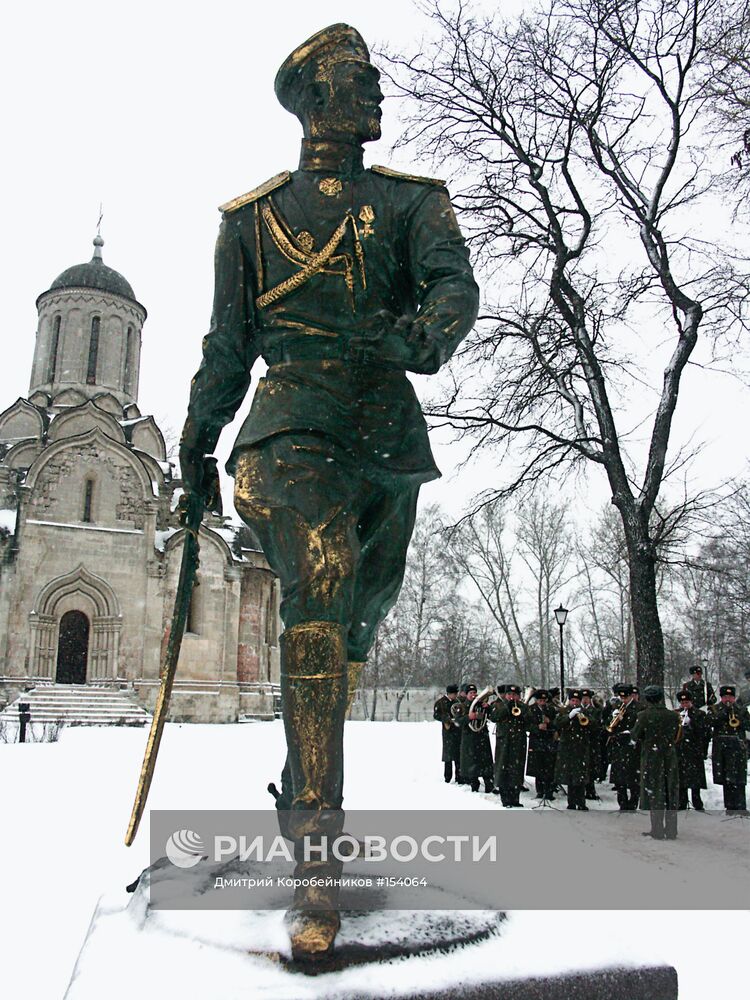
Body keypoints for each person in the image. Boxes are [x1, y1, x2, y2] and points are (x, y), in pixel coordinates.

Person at [178, 22, 479, 961]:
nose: (377, 90)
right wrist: (195, 446)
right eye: (357, 79)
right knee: (320, 571)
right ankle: (317, 858)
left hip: (383, 436)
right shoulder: (251, 220)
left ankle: (294, 774)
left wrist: (419, 337)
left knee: (357, 612)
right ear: (311, 96)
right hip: (287, 430)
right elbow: (227, 348)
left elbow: (452, 289)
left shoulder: (414, 203)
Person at [630, 685, 681, 840]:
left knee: (655, 792)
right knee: (670, 790)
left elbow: (635, 735)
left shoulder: (643, 715)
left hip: (652, 756)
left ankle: (657, 829)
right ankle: (671, 830)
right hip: (669, 755)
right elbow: (677, 735)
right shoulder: (673, 716)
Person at [553, 689, 598, 810]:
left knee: (580, 777)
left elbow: (594, 725)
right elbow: (557, 724)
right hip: (567, 747)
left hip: (581, 747)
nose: (575, 703)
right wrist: (569, 716)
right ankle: (571, 802)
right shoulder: (564, 711)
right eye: (573, 700)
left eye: (577, 701)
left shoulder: (585, 711)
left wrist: (584, 719)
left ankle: (581, 802)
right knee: (570, 776)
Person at [709, 685, 750, 815]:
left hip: (738, 747)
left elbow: (748, 725)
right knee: (727, 778)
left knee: (739, 778)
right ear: (721, 697)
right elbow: (710, 722)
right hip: (722, 749)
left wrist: (738, 716)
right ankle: (730, 807)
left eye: (731, 697)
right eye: (725, 697)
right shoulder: (715, 709)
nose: (728, 699)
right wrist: (723, 714)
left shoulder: (741, 709)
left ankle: (741, 806)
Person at [489, 683, 531, 807]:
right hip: (504, 742)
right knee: (503, 769)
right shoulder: (499, 705)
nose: (512, 697)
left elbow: (529, 720)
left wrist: (521, 709)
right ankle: (505, 798)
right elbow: (494, 717)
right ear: (506, 695)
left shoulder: (523, 706)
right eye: (510, 694)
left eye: (515, 695)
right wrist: (507, 706)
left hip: (518, 742)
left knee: (517, 770)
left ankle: (515, 798)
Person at [607, 684, 640, 810]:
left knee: (633, 777)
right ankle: (622, 802)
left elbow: (638, 726)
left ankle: (633, 802)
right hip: (618, 746)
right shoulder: (616, 707)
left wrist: (625, 722)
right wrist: (613, 718)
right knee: (619, 777)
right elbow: (608, 727)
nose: (623, 700)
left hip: (631, 747)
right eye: (621, 697)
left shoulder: (638, 708)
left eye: (625, 697)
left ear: (631, 696)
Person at [674, 690, 709, 811]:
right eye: (682, 702)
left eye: (687, 702)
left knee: (695, 779)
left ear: (691, 702)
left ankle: (697, 802)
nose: (685, 705)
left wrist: (691, 722)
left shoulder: (699, 714)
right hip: (680, 750)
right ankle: (682, 802)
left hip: (694, 750)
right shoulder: (676, 713)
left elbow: (704, 732)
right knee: (681, 778)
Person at [459, 684, 495, 793]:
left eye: (475, 693)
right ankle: (474, 785)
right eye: (471, 693)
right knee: (472, 762)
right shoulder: (462, 706)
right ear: (466, 695)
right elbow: (457, 721)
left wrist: (488, 708)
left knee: (486, 762)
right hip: (470, 738)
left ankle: (489, 784)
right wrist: (468, 717)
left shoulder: (481, 704)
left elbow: (493, 717)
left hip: (482, 737)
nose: (473, 695)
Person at [525, 689, 557, 801]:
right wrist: (537, 728)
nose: (542, 702)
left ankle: (549, 791)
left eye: (544, 700)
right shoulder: (530, 710)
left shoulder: (551, 709)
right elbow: (526, 725)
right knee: (538, 767)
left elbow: (556, 724)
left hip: (548, 740)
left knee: (549, 767)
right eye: (540, 700)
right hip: (536, 740)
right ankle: (540, 790)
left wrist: (550, 723)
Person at [433, 684, 462, 783]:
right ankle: (447, 777)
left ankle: (459, 777)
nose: (455, 695)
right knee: (448, 756)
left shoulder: (457, 702)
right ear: (449, 694)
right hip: (448, 731)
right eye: (454, 694)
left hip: (457, 730)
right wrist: (445, 719)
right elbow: (436, 715)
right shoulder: (440, 703)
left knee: (458, 755)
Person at [580, 689, 603, 799]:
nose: (585, 700)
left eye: (587, 699)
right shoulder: (577, 710)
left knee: (591, 766)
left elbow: (597, 724)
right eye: (583, 698)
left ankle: (590, 789)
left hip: (591, 742)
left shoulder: (595, 711)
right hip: (580, 742)